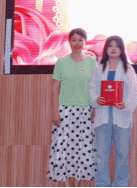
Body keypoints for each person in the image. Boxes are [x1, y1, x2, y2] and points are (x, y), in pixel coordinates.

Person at [47, 28, 98, 183]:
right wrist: (55, 112)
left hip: (85, 112)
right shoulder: (61, 62)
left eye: (80, 40)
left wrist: (94, 109)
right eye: (74, 40)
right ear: (69, 42)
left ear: (85, 42)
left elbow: (96, 87)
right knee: (63, 149)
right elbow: (55, 88)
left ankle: (78, 183)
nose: (77, 43)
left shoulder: (92, 62)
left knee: (83, 150)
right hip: (65, 111)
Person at [89, 36, 137, 187]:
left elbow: (134, 91)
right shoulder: (99, 69)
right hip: (103, 117)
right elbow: (91, 89)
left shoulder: (128, 69)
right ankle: (102, 184)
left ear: (121, 49)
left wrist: (125, 104)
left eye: (117, 46)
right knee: (101, 155)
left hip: (122, 117)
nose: (113, 49)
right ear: (105, 49)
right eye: (110, 46)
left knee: (122, 154)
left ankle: (121, 184)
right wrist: (96, 99)